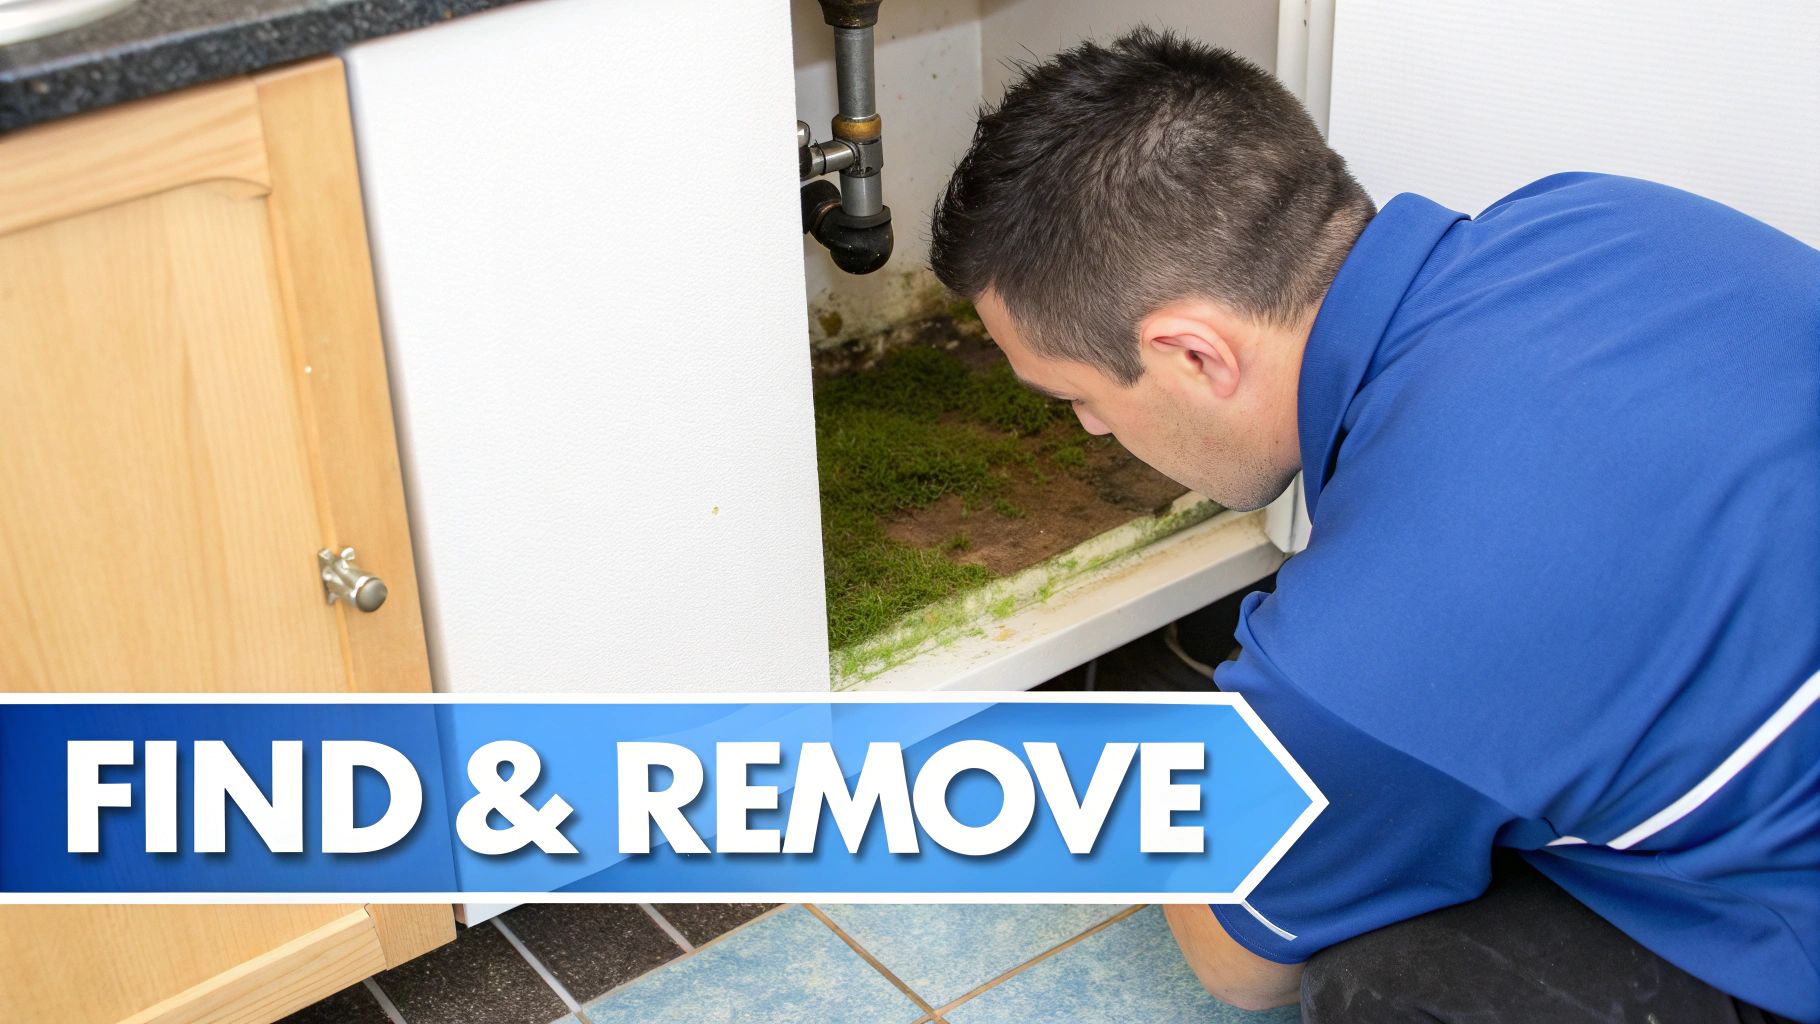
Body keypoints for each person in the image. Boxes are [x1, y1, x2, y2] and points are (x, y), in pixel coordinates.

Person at [929, 28, 1818, 1024]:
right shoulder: (1592, 212)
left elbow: (1236, 967)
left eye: (1073, 395)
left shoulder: (1364, 654)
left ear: (1193, 355)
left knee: (1389, 986)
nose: (1089, 427)